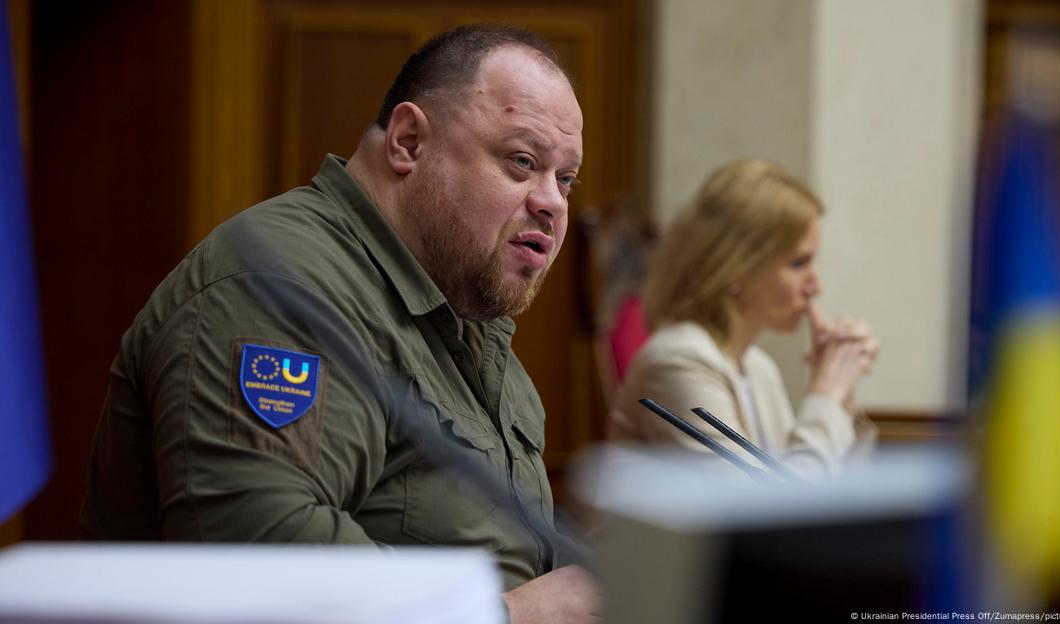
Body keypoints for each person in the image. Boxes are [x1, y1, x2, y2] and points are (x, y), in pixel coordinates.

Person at [80, 24, 599, 622]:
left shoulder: (460, 305)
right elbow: (255, 556)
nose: (552, 203)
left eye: (565, 179)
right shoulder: (279, 286)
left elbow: (501, 548)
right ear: (408, 142)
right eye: (522, 161)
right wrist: (505, 614)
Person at [609, 159, 879, 480]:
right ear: (736, 266)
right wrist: (827, 391)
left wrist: (841, 393)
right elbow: (769, 512)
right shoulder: (678, 361)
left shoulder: (757, 368)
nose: (815, 285)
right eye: (799, 263)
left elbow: (838, 499)